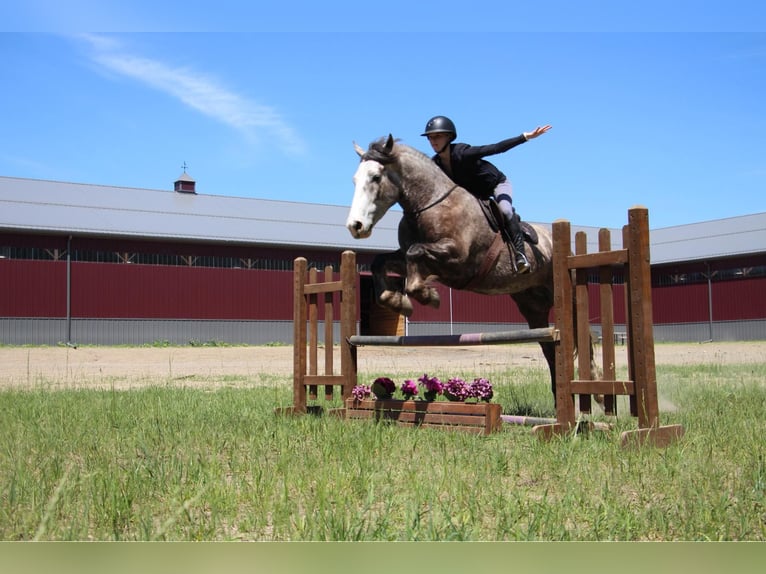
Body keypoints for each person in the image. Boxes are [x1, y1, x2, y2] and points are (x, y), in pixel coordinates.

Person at [421, 115, 551, 273]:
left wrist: (524, 137)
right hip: (474, 195)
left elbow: (496, 148)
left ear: (449, 137)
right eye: (430, 138)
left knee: (505, 210)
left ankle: (520, 255)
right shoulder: (436, 164)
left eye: (438, 136)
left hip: (496, 185)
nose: (433, 141)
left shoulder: (464, 153)